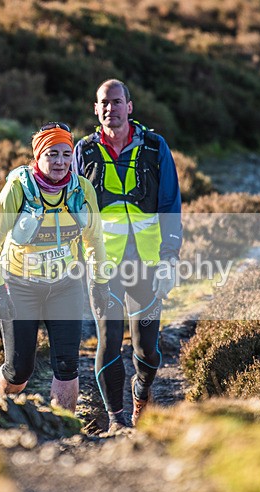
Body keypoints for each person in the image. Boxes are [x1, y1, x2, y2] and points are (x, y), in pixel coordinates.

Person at [73, 79, 182, 431]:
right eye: (104, 102)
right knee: (108, 336)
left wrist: (170, 259)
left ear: (129, 107)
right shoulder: (84, 151)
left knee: (147, 348)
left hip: (148, 262)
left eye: (117, 102)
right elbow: (74, 210)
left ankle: (142, 391)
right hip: (103, 264)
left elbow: (169, 205)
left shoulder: (154, 146)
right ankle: (116, 420)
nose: (111, 108)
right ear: (96, 108)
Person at [0, 122, 109, 413]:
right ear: (38, 156)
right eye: (52, 154)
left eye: (66, 154)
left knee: (67, 366)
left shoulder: (82, 189)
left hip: (65, 286)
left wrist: (100, 283)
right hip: (19, 286)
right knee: (19, 370)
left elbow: (94, 239)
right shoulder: (19, 188)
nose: (60, 161)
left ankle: (64, 428)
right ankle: (6, 411)